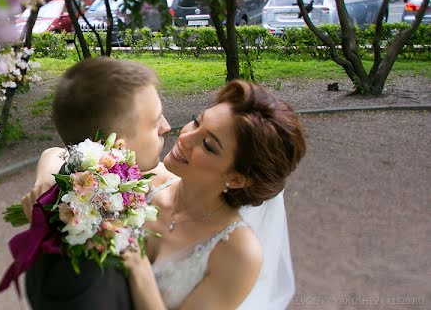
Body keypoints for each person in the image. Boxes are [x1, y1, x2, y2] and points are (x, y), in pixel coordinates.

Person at [121, 80, 306, 309]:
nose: (185, 138)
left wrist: (140, 270)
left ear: (237, 178)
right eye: (197, 121)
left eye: (208, 145)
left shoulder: (237, 254)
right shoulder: (144, 179)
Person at [21, 57, 172, 310]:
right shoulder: (85, 279)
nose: (166, 127)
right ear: (117, 150)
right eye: (155, 122)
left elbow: (58, 152)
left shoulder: (81, 190)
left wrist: (48, 174)